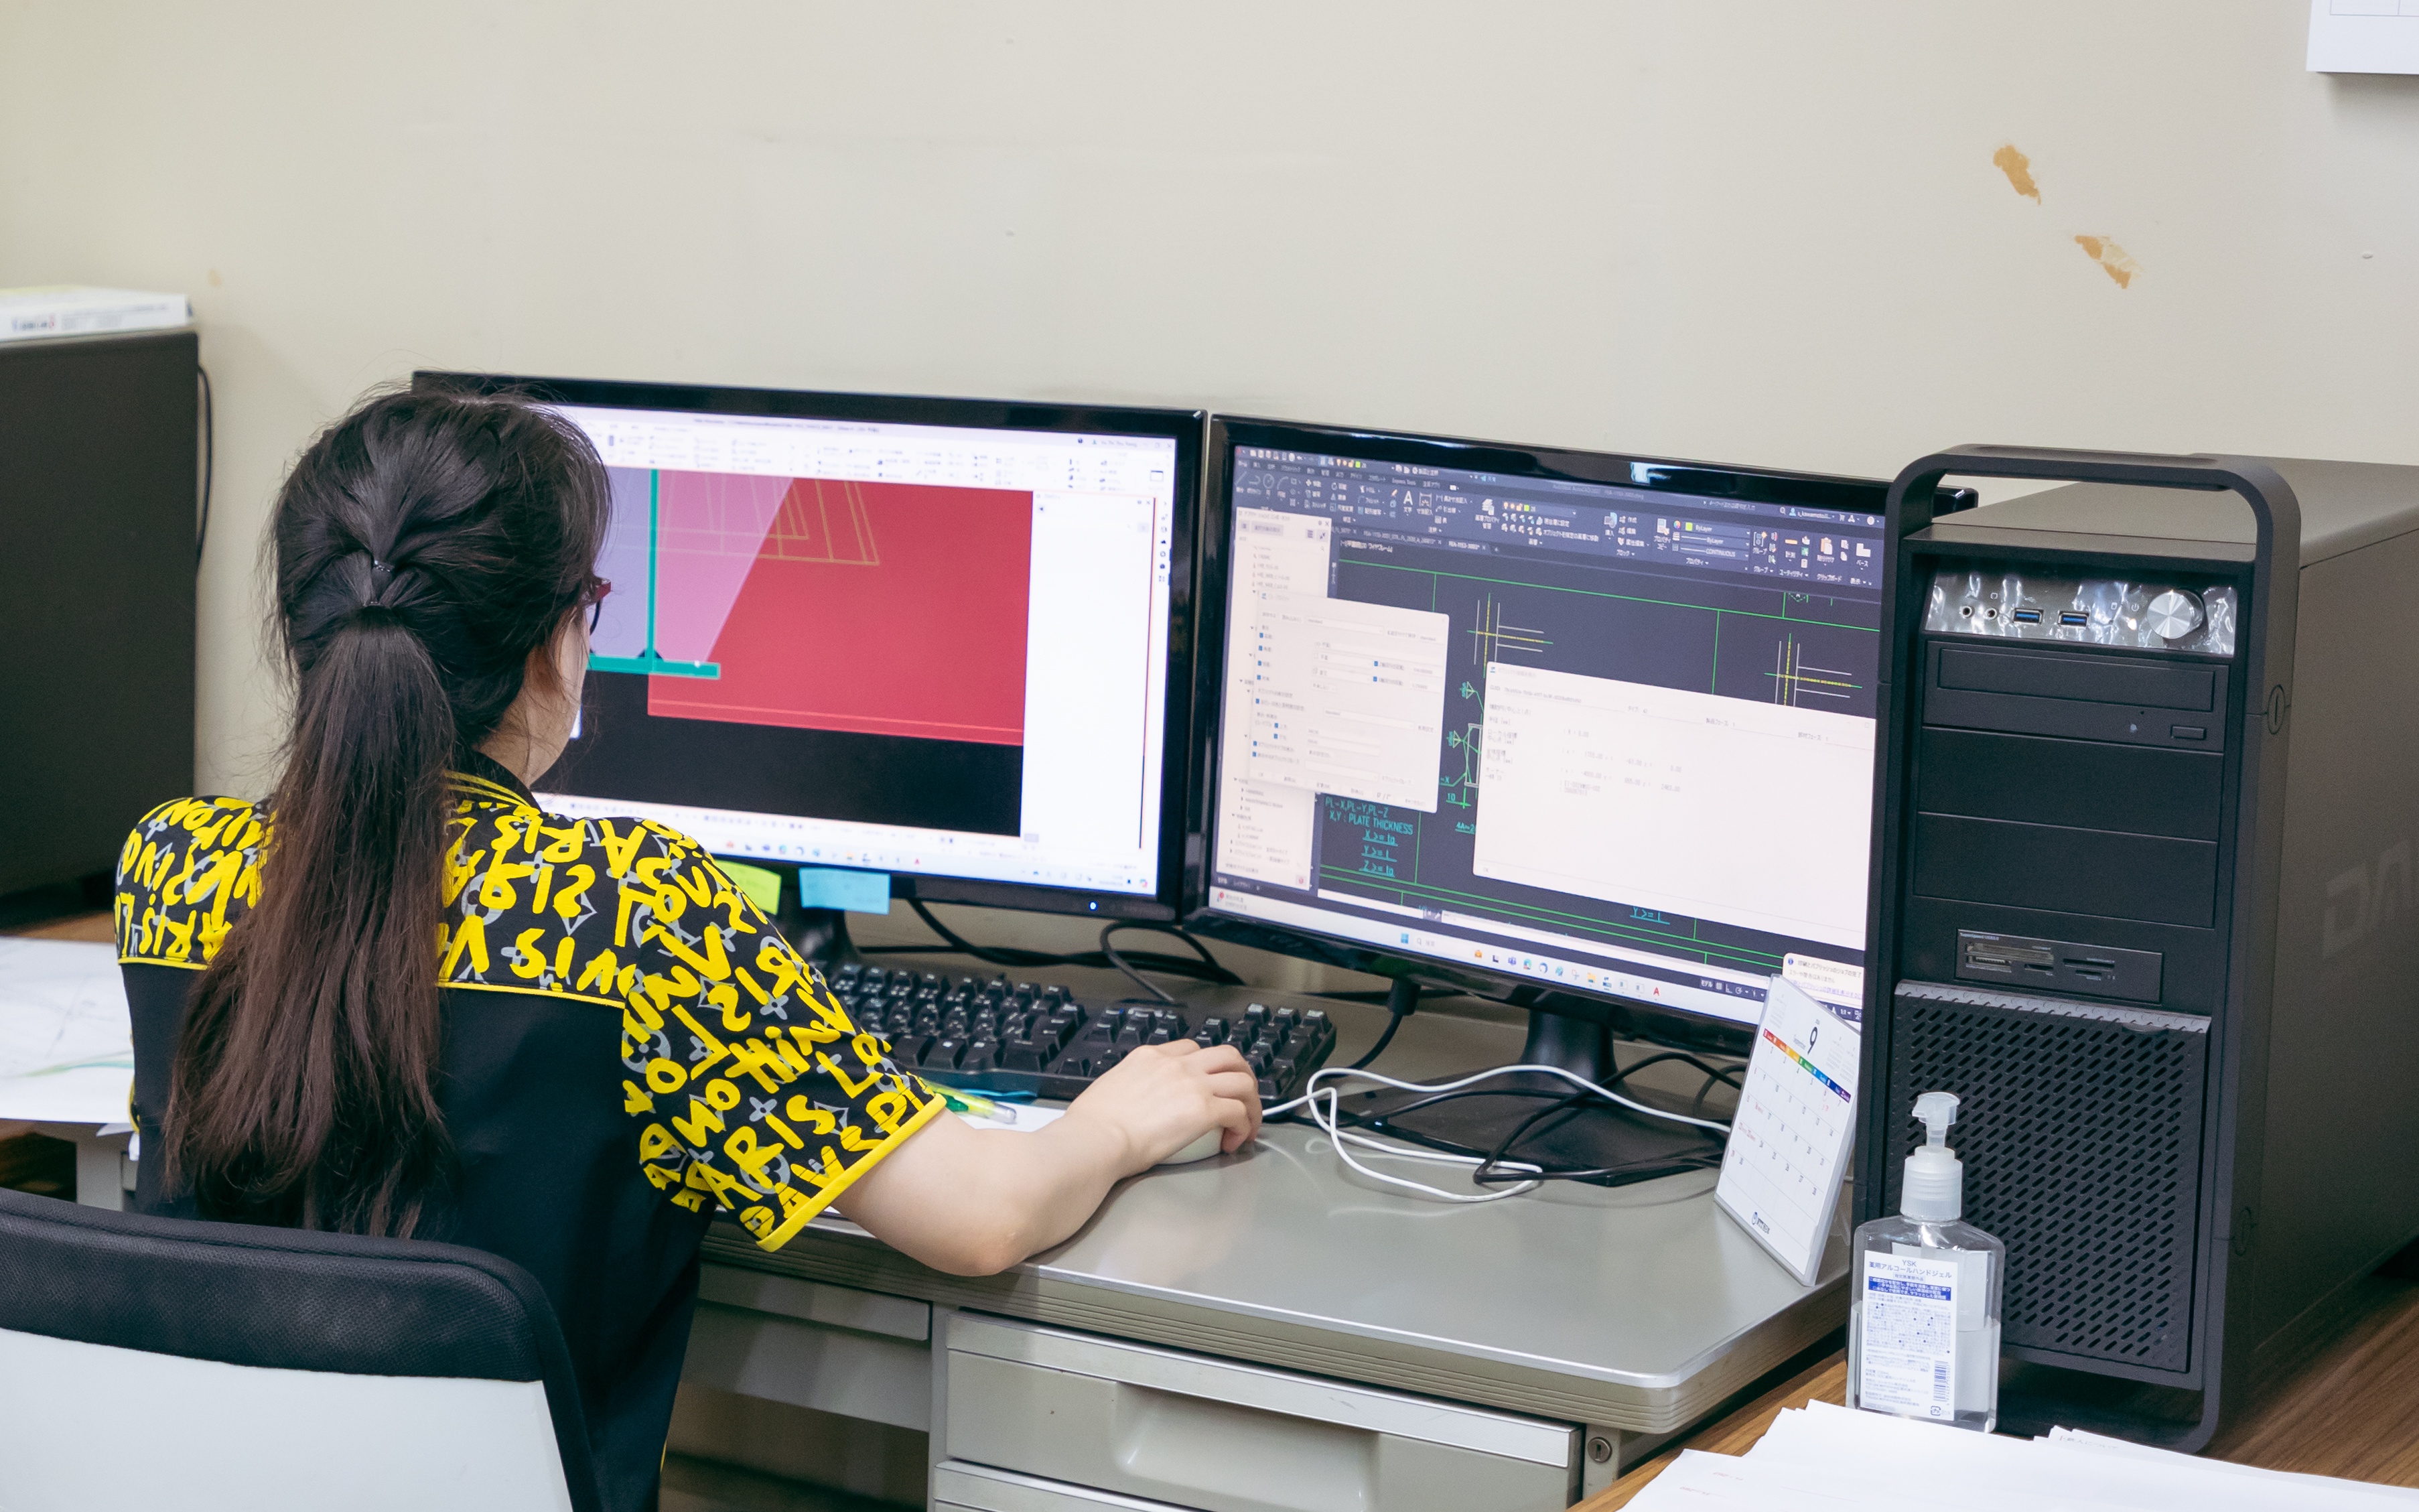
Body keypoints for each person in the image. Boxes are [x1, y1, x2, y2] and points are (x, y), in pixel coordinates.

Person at [113, 387, 1260, 1512]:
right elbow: (980, 1217)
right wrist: (1113, 1121)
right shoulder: (636, 912)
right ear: (552, 648)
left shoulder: (170, 869)